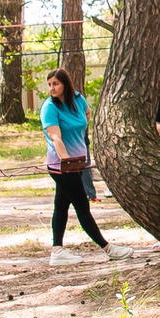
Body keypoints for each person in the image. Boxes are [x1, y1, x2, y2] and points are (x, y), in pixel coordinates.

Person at [39, 69, 114, 263]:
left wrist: (80, 138)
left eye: (55, 84)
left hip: (79, 163)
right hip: (61, 166)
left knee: (61, 205)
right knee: (82, 204)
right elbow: (55, 136)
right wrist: (65, 159)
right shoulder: (49, 107)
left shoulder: (78, 99)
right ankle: (107, 247)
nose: (52, 88)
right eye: (49, 85)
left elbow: (87, 113)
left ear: (65, 84)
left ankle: (57, 250)